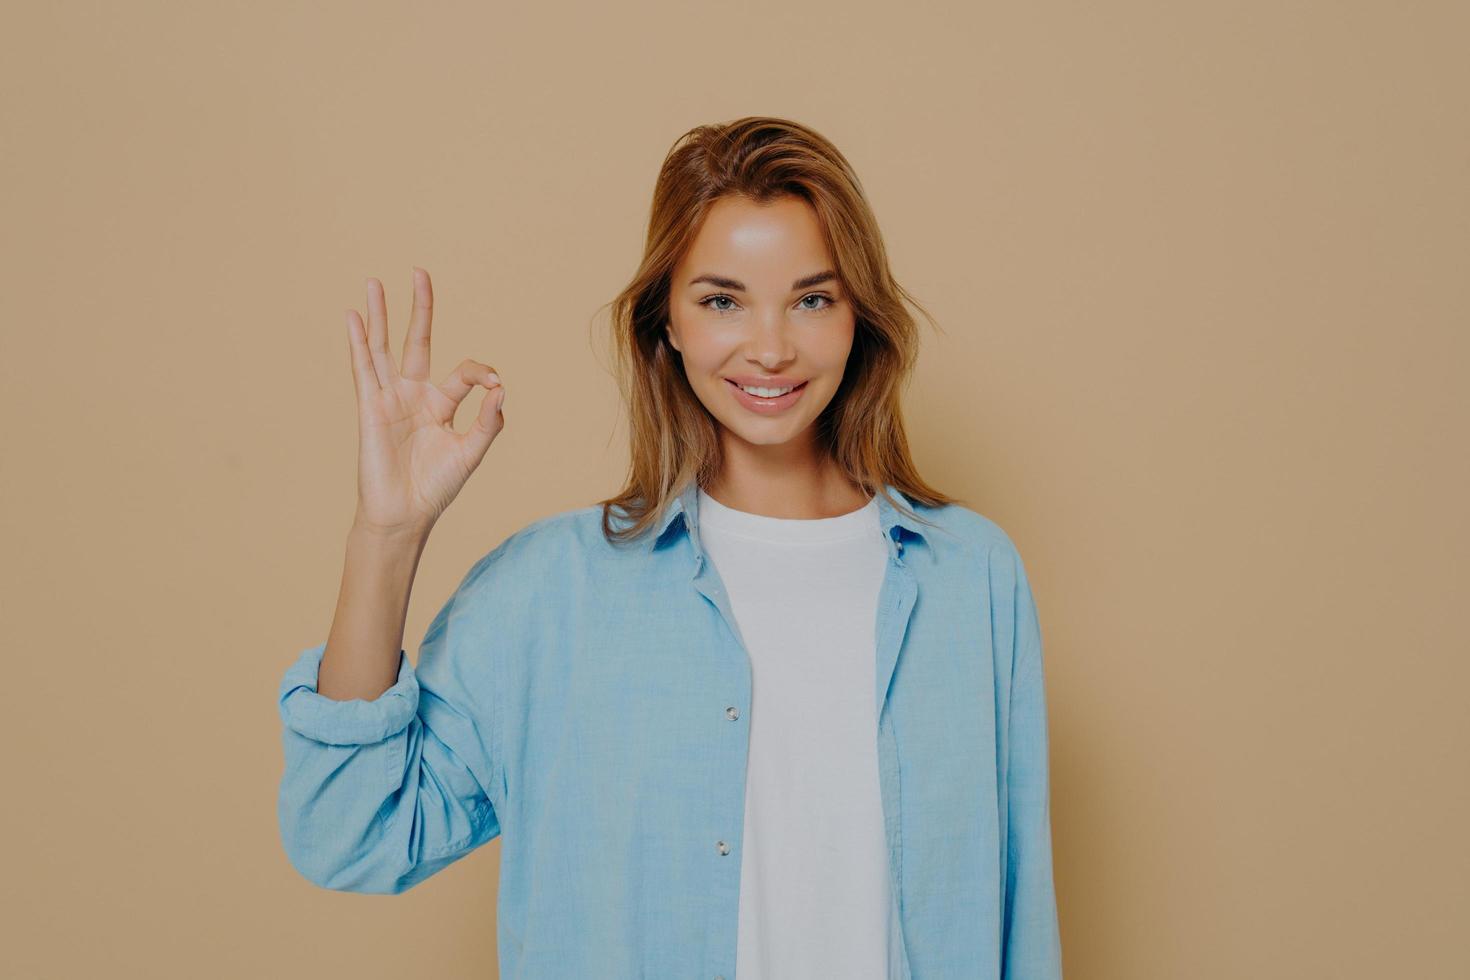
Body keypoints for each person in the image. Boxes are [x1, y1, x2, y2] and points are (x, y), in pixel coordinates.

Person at [277, 116, 1063, 980]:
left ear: (858, 319)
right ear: (667, 325)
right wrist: (387, 535)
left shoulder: (971, 577)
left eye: (812, 298)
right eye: (722, 300)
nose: (770, 347)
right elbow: (349, 834)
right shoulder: (554, 590)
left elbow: (1019, 920)